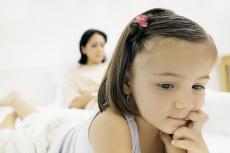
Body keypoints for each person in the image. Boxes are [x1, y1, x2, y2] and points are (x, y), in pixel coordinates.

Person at [0, 8, 217, 153]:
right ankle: (13, 107)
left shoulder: (181, 127)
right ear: (126, 82)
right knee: (13, 136)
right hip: (50, 142)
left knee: (40, 118)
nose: (185, 103)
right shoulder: (113, 125)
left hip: (75, 124)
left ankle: (19, 106)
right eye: (167, 85)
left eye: (197, 85)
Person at [62, 29, 108, 110]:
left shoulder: (111, 68)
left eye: (102, 45)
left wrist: (88, 95)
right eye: (94, 45)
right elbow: (72, 104)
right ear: (83, 49)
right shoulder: (74, 73)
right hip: (96, 110)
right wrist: (95, 95)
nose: (99, 49)